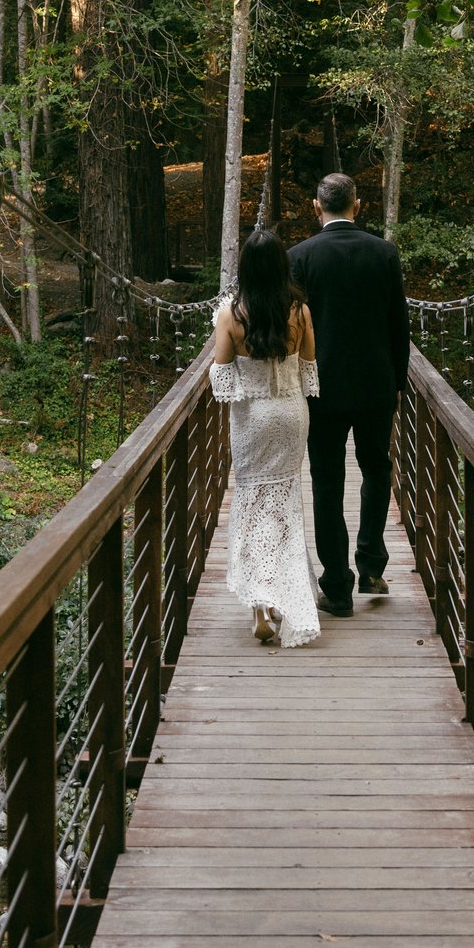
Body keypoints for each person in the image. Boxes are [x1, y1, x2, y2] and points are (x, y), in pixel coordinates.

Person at [287, 172, 410, 618]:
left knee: (326, 481)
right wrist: (398, 382)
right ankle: (372, 566)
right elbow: (400, 326)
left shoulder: (298, 257)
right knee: (377, 470)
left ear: (316, 207)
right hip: (376, 385)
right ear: (357, 206)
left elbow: (292, 328)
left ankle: (336, 587)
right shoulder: (385, 253)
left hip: (321, 389)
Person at [206, 226, 322, 648]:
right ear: (281, 266)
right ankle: (279, 600)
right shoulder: (300, 311)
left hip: (253, 419)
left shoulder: (231, 314)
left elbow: (222, 374)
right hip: (292, 414)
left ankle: (260, 607)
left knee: (253, 504)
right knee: (285, 505)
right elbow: (309, 364)